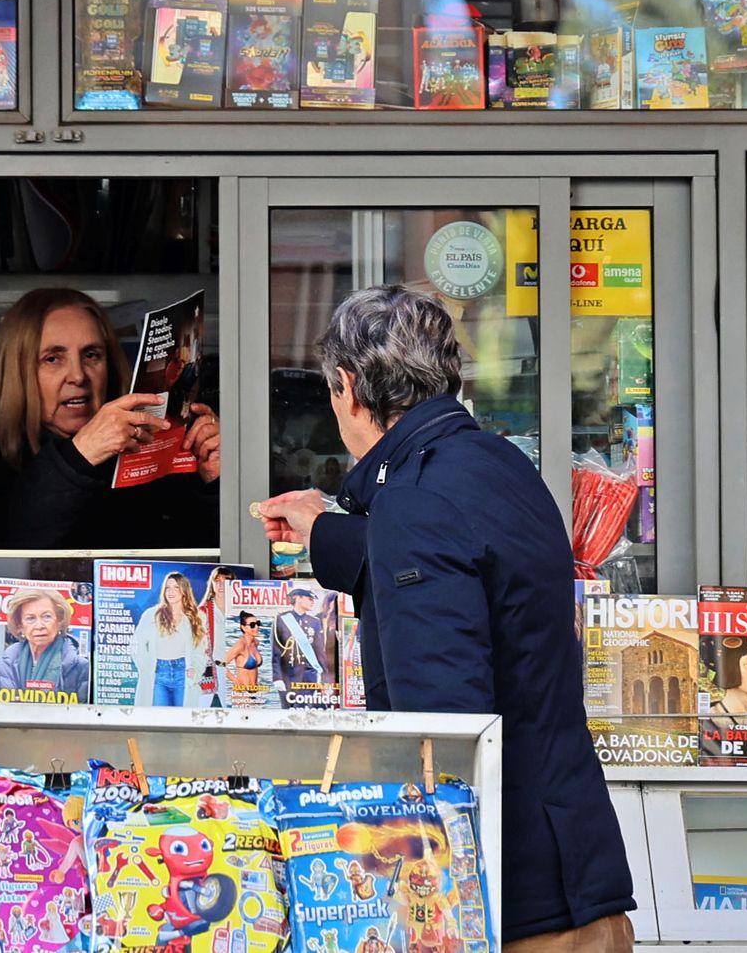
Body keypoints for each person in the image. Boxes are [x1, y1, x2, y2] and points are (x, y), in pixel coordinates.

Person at [257, 285, 635, 951]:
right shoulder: (499, 466)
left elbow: (440, 728)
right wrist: (323, 531)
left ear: (348, 385)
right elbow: (458, 568)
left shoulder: (412, 502)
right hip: (578, 871)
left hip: (514, 906)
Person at [0, 288, 221, 549]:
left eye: (91, 355)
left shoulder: (150, 460)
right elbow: (9, 551)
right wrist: (80, 456)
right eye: (52, 359)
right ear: (16, 372)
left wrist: (214, 482)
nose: (78, 376)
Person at [0, 589, 89, 702]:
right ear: (20, 625)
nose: (39, 625)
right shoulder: (7, 661)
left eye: (46, 616)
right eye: (30, 618)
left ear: (59, 620)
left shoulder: (78, 664)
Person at [131, 571, 207, 706]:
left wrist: (195, 669)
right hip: (158, 673)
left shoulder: (197, 617)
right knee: (159, 719)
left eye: (176, 587)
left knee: (183, 720)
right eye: (167, 587)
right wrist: (146, 667)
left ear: (184, 590)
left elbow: (200, 650)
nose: (171, 591)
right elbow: (137, 643)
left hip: (183, 672)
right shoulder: (152, 615)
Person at [272, 586, 333, 704]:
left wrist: (325, 679)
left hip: (308, 676)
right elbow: (276, 652)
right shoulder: (282, 619)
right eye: (309, 598)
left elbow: (320, 652)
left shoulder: (314, 622)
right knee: (287, 713)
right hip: (287, 676)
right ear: (297, 597)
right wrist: (277, 677)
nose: (312, 602)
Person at [196, 566, 236, 707]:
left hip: (233, 670)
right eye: (217, 580)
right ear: (211, 584)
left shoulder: (239, 610)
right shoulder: (202, 611)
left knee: (236, 714)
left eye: (226, 580)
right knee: (200, 713)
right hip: (210, 669)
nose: (221, 584)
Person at [222, 611, 264, 698]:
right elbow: (221, 664)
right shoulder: (240, 645)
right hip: (242, 692)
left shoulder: (255, 643)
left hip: (255, 693)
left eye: (257, 623)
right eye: (252, 625)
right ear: (243, 628)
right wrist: (235, 681)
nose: (256, 627)